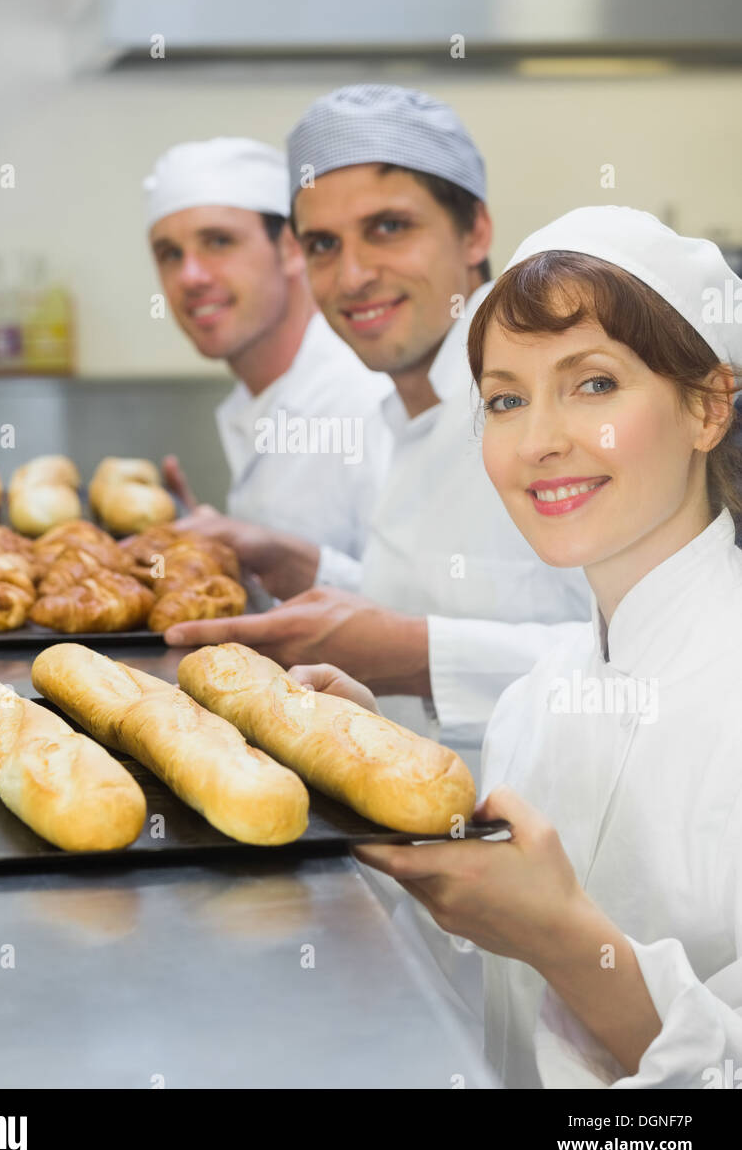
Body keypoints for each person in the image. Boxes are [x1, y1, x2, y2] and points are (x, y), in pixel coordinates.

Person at [311, 205, 742, 1088]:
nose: (539, 442)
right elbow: (493, 1017)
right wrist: (381, 794)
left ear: (708, 406)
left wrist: (565, 937)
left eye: (592, 385)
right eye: (506, 399)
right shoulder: (534, 705)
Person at [166, 88, 590, 744]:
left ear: (475, 229)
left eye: (388, 228)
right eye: (324, 244)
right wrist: (307, 568)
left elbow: (657, 663)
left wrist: (414, 655)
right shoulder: (403, 411)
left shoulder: (561, 406)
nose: (354, 274)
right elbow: (451, 602)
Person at [143, 137, 391, 566]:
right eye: (170, 254)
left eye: (218, 241)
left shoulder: (369, 397)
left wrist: (298, 566)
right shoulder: (256, 400)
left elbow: (419, 609)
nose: (191, 276)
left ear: (292, 248)